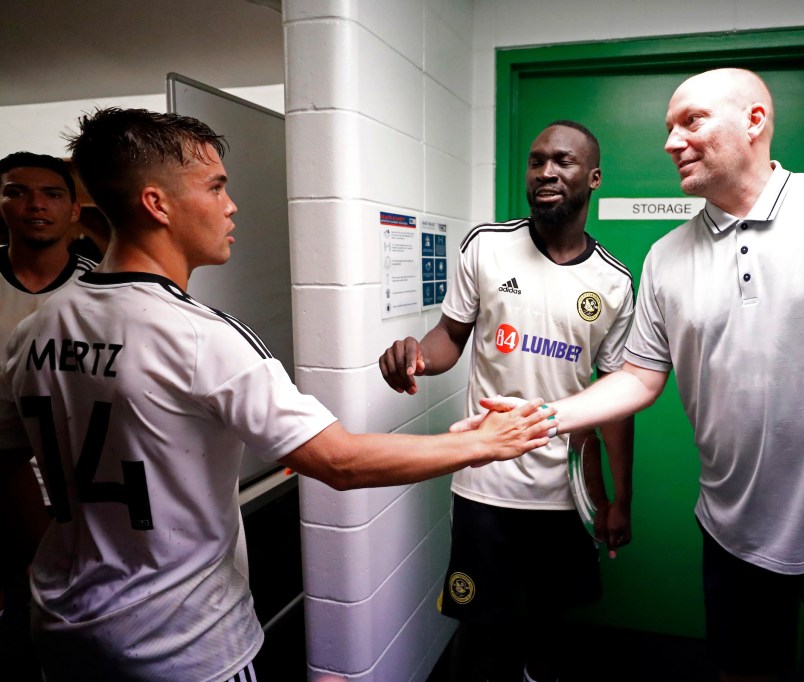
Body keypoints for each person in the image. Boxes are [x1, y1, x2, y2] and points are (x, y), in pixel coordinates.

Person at [0, 107, 557, 682]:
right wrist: (488, 442)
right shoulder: (199, 336)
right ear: (156, 204)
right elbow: (338, 461)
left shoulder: (36, 329)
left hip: (63, 630)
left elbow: (11, 460)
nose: (230, 205)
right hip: (179, 646)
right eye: (215, 187)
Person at [460, 69, 804, 682]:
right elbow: (638, 379)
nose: (672, 142)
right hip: (733, 538)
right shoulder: (667, 257)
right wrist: (543, 415)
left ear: (755, 120)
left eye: (691, 121)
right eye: (668, 129)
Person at [380, 120, 635, 682]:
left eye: (562, 161)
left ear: (593, 178)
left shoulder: (614, 282)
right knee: (482, 627)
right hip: (485, 482)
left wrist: (621, 497)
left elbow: (618, 399)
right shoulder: (487, 247)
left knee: (549, 624)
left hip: (565, 490)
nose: (545, 171)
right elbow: (449, 338)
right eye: (536, 159)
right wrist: (414, 355)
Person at [0, 151, 97, 681]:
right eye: (16, 191)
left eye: (52, 193)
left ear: (75, 209)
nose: (34, 204)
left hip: (84, 506)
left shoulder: (102, 289)